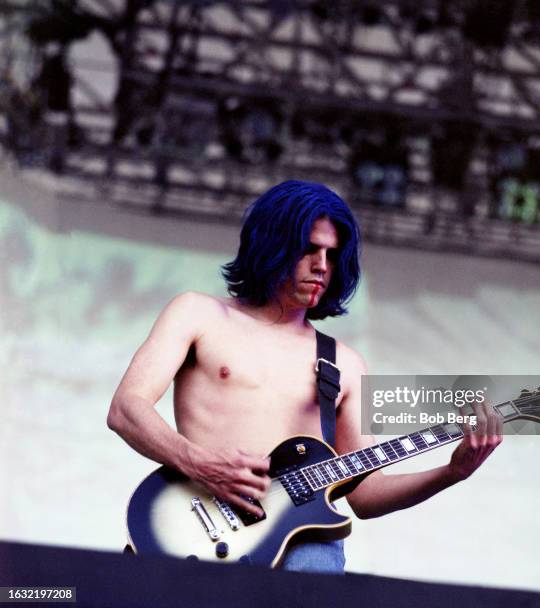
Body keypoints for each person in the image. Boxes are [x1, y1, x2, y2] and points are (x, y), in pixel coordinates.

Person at [107, 180, 502, 574]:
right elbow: (127, 408)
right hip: (199, 527)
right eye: (309, 249)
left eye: (332, 254)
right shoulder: (198, 313)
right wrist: (197, 462)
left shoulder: (344, 363)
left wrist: (453, 471)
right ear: (272, 243)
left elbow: (366, 494)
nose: (322, 266)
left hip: (305, 549)